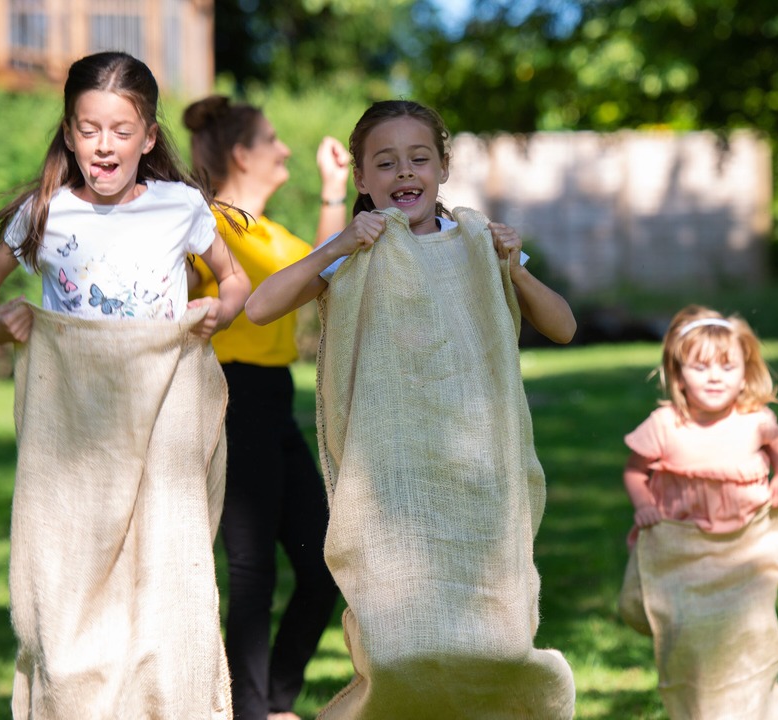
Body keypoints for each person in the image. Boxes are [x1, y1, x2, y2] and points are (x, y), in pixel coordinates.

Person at [245, 100, 578, 718]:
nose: (405, 173)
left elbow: (562, 326)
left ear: (443, 167)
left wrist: (516, 270)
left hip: (477, 466)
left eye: (419, 159)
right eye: (386, 162)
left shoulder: (476, 242)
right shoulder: (356, 248)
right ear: (362, 180)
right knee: (398, 639)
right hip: (392, 470)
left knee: (493, 634)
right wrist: (335, 246)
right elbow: (261, 307)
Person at [0, 51, 250, 718]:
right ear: (69, 132)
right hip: (75, 430)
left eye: (121, 130)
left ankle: (162, 697)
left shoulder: (179, 205)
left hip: (161, 419)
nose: (104, 144)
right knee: (73, 579)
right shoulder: (46, 213)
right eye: (89, 129)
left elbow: (232, 279)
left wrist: (218, 312)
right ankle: (76, 697)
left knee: (162, 569)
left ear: (148, 137)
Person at [182, 94, 343, 720]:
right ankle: (251, 713)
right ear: (242, 153)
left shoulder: (269, 231)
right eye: (272, 138)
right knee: (252, 571)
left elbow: (320, 269)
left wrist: (336, 186)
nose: (285, 149)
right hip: (230, 394)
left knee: (321, 564)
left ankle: (268, 704)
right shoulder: (205, 222)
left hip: (275, 398)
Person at [617, 305, 778, 720]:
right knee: (685, 636)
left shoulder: (754, 420)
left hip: (745, 548)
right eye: (700, 366)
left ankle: (759, 704)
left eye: (727, 366)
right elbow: (634, 471)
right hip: (682, 550)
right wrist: (644, 503)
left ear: (745, 371)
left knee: (749, 632)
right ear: (678, 371)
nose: (715, 376)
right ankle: (701, 701)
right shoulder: (666, 423)